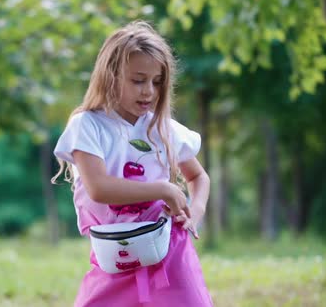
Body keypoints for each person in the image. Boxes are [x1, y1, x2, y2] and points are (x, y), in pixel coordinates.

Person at [52, 20, 213, 307]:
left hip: (170, 255)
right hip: (115, 257)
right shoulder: (87, 126)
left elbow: (198, 177)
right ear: (111, 76)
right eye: (138, 80)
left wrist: (195, 213)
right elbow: (99, 188)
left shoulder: (164, 129)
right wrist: (163, 189)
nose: (149, 92)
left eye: (157, 82)